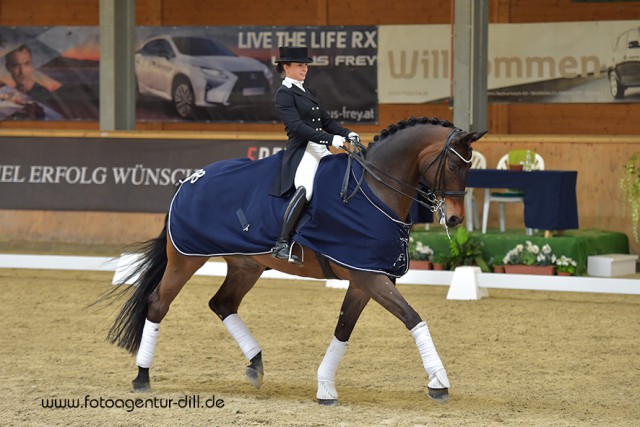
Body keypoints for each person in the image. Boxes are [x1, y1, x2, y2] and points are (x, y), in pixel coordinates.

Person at [269, 46, 359, 265]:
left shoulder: (309, 91)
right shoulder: (283, 94)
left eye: (306, 65)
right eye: (300, 65)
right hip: (303, 151)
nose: (304, 69)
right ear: (286, 67)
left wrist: (347, 133)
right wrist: (329, 139)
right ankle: (281, 243)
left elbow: (326, 121)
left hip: (321, 148)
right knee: (306, 189)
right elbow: (297, 126)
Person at [4, 44, 65, 118]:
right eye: (16, 65)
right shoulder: (8, 96)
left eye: (26, 64)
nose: (22, 72)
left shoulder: (47, 97)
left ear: (32, 65)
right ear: (8, 68)